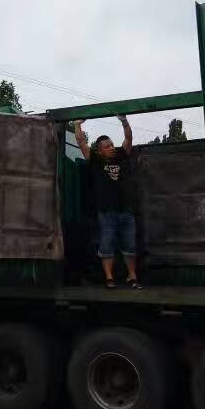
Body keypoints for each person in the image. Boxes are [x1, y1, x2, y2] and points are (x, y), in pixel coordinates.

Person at [73, 116, 141, 290]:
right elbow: (81, 142)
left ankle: (132, 276)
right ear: (99, 150)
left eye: (111, 145)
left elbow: (128, 139)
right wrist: (77, 124)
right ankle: (109, 278)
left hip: (126, 210)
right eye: (107, 146)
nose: (111, 148)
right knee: (107, 244)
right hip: (106, 211)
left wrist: (124, 121)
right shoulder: (96, 161)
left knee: (130, 246)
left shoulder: (120, 156)